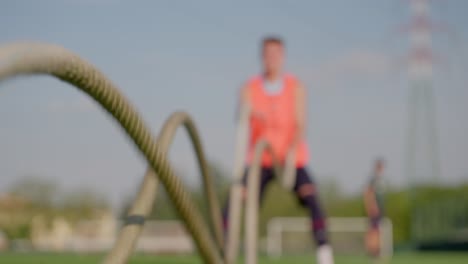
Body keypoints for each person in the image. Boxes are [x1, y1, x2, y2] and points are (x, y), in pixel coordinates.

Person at [222, 36, 334, 264]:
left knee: (311, 197)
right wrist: (249, 110)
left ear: (282, 57)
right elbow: (240, 113)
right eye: (267, 54)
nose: (271, 58)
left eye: (276, 54)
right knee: (235, 201)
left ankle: (324, 253)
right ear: (262, 57)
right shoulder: (250, 87)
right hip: (259, 160)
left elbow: (301, 123)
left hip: (290, 158)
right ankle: (222, 251)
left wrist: (292, 151)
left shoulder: (295, 86)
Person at [363, 158, 386, 259]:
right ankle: (373, 251)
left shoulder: (380, 179)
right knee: (373, 231)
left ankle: (375, 250)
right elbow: (368, 193)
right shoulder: (374, 179)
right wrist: (372, 206)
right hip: (374, 210)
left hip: (379, 209)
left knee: (377, 230)